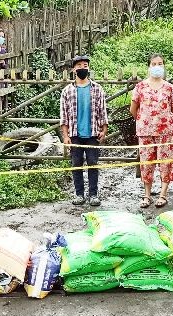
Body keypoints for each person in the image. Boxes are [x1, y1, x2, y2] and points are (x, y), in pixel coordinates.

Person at [130, 53, 173, 208]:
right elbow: (133, 109)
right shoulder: (140, 87)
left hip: (166, 132)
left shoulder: (169, 87)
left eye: (160, 63)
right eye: (154, 64)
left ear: (164, 66)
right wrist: (144, 119)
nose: (157, 66)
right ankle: (147, 195)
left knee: (166, 163)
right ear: (149, 66)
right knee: (146, 163)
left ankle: (163, 194)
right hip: (145, 131)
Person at [60, 55, 108, 207]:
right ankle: (79, 194)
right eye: (79, 65)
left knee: (93, 163)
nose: (82, 68)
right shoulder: (67, 91)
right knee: (76, 164)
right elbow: (64, 115)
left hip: (92, 133)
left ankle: (93, 194)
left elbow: (102, 112)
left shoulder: (97, 89)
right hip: (75, 134)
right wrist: (65, 136)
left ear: (88, 68)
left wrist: (104, 130)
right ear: (74, 69)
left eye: (85, 65)